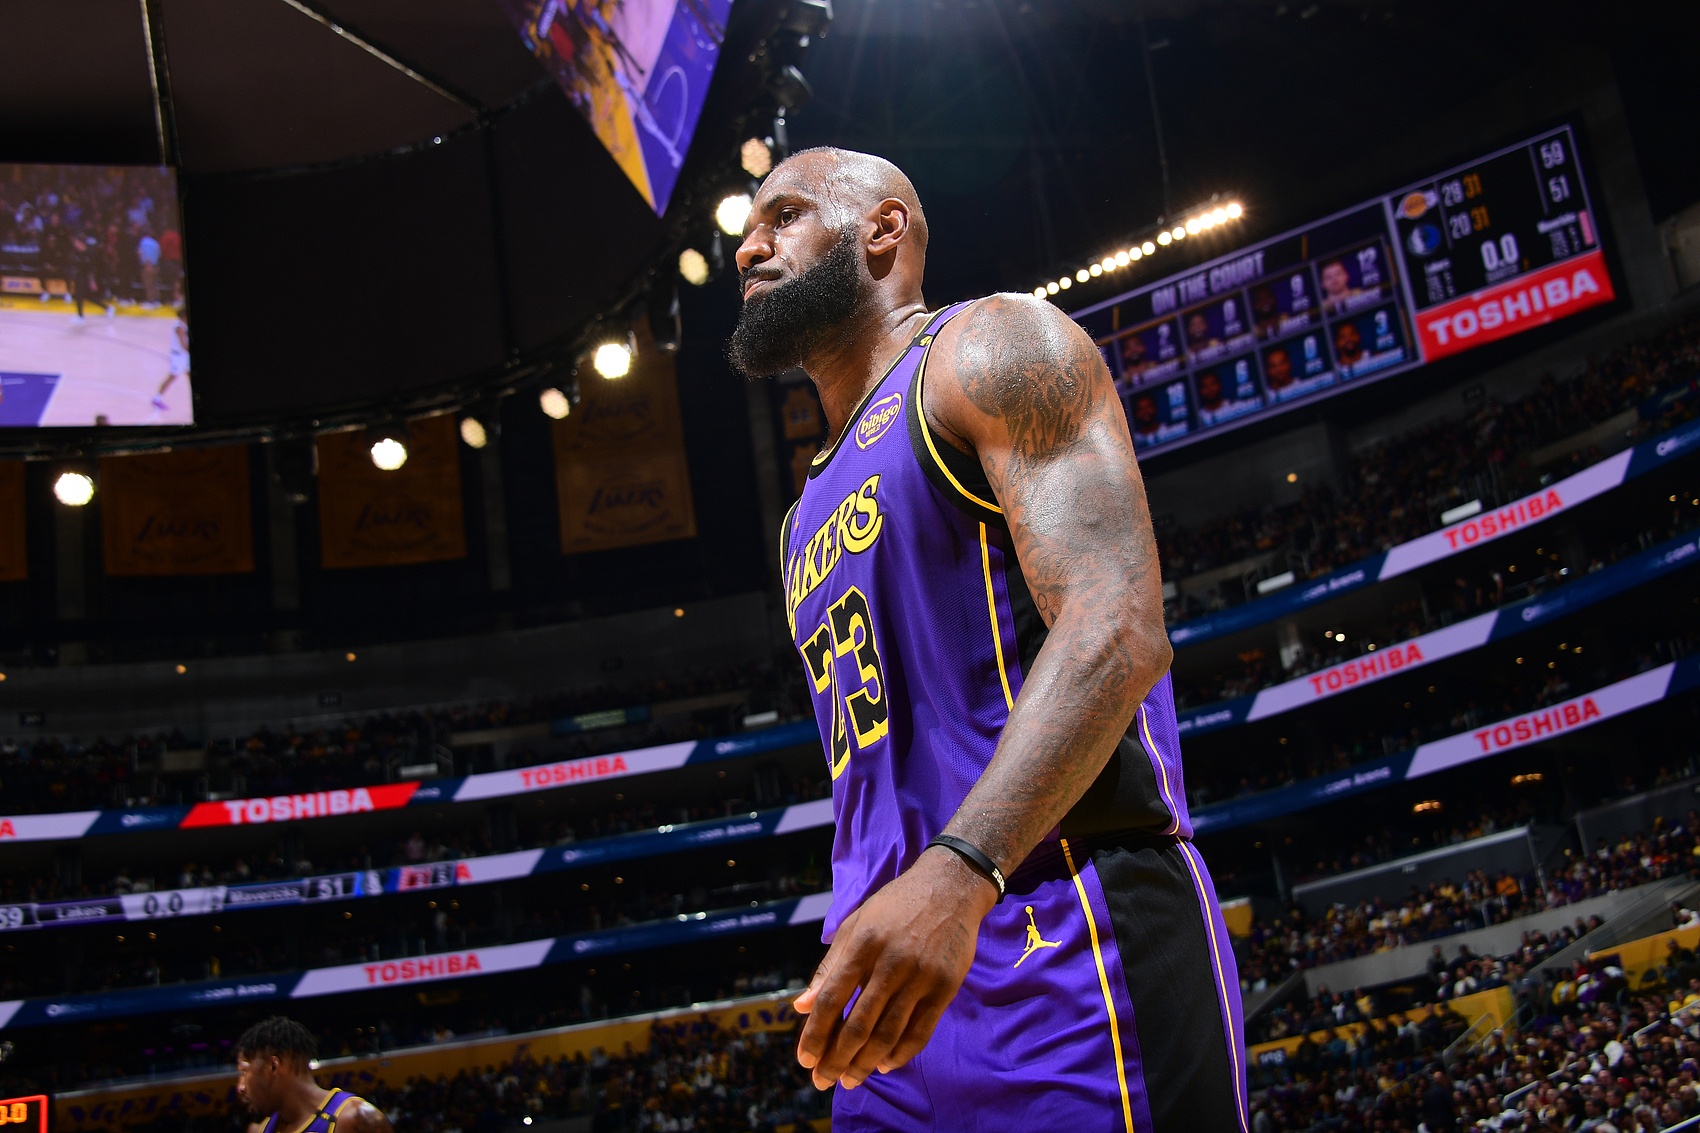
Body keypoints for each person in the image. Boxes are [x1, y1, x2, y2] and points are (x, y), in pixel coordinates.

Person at [729, 146, 1246, 1131]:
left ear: (884, 228)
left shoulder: (990, 346)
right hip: (893, 984)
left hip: (1062, 922)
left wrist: (961, 867)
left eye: (783, 215)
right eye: (748, 230)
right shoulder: (802, 515)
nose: (749, 247)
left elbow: (1117, 628)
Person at [235, 1016, 392, 1133]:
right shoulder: (259, 1130)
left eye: (244, 1071)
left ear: (273, 1066)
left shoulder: (356, 1119)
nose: (240, 1087)